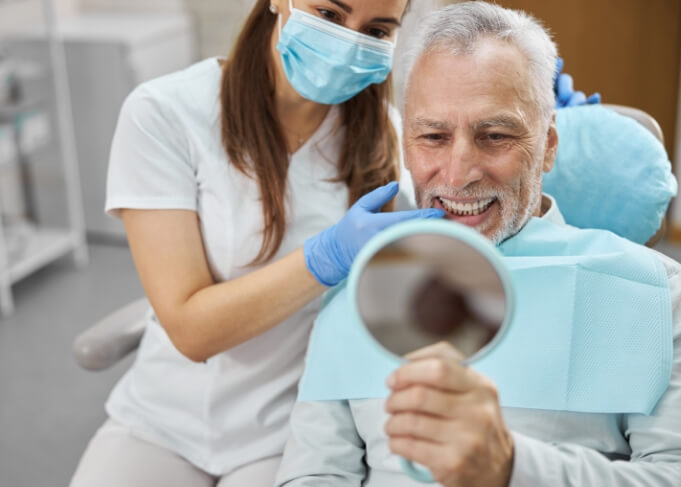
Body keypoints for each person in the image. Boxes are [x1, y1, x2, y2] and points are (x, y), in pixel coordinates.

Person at [273, 2, 681, 486]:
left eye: (494, 135)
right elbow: (311, 473)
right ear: (406, 144)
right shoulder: (357, 291)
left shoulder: (657, 294)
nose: (458, 173)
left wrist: (512, 468)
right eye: (433, 136)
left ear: (548, 144)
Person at [68, 1, 449, 486]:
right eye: (331, 14)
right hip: (161, 420)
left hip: (290, 433)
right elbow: (191, 330)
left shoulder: (388, 140)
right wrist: (325, 258)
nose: (349, 41)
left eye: (376, 29)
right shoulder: (166, 113)